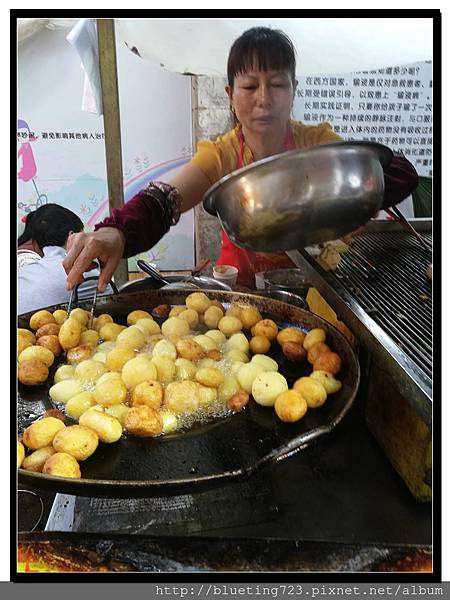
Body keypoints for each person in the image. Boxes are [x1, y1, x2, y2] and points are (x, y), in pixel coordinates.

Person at [63, 27, 418, 290]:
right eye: (250, 86)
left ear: (293, 89)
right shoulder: (222, 154)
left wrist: (370, 187)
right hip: (243, 293)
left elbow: (392, 171)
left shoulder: (316, 143)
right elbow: (162, 199)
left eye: (277, 84)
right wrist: (117, 232)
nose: (264, 98)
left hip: (317, 288)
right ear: (231, 94)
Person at [18, 204, 110, 314]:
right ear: (72, 235)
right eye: (82, 235)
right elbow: (114, 298)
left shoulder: (25, 271)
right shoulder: (85, 272)